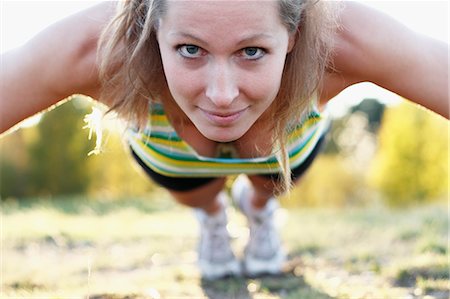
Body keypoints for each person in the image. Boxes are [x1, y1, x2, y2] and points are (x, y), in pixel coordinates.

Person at [1, 0, 448, 280]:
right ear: (154, 30)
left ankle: (258, 210)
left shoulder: (342, 39)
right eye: (190, 50)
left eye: (251, 51)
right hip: (172, 158)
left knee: (266, 177)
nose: (221, 95)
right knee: (200, 196)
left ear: (292, 36)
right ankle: (214, 219)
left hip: (283, 152)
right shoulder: (96, 47)